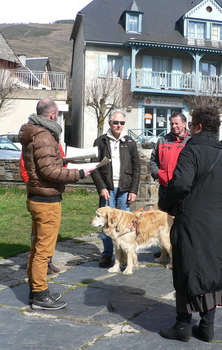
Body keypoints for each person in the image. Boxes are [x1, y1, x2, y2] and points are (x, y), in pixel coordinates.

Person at [158, 107, 222, 343]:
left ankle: (182, 325)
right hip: (219, 221)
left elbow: (180, 184)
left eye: (191, 124)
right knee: (211, 270)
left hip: (192, 220)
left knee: (186, 268)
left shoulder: (191, 151)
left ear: (199, 126)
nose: (189, 128)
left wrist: (167, 204)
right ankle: (207, 326)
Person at [19, 98, 95, 310]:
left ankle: (36, 290)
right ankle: (40, 295)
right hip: (46, 201)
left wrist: (62, 161)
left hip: (36, 197)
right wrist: (80, 173)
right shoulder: (43, 136)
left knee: (37, 248)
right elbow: (48, 172)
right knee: (44, 250)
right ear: (52, 115)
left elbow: (44, 164)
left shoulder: (34, 133)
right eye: (57, 114)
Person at [91, 109, 141, 268]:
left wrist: (133, 190)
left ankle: (124, 256)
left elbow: (137, 168)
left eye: (122, 123)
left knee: (125, 225)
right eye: (116, 122)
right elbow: (95, 167)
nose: (119, 125)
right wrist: (102, 187)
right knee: (106, 224)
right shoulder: (100, 141)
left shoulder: (130, 142)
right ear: (109, 123)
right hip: (108, 189)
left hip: (125, 189)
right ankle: (107, 255)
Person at [20, 144, 66, 275]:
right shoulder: (33, 142)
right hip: (39, 196)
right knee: (38, 236)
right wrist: (35, 185)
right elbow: (24, 168)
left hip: (51, 194)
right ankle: (38, 274)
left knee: (48, 236)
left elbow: (61, 163)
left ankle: (47, 262)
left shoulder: (55, 143)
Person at [149, 112, 190, 201]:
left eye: (176, 123)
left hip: (184, 189)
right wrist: (158, 173)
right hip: (165, 188)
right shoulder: (162, 141)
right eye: (172, 124)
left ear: (184, 123)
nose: (174, 126)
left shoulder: (191, 141)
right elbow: (153, 161)